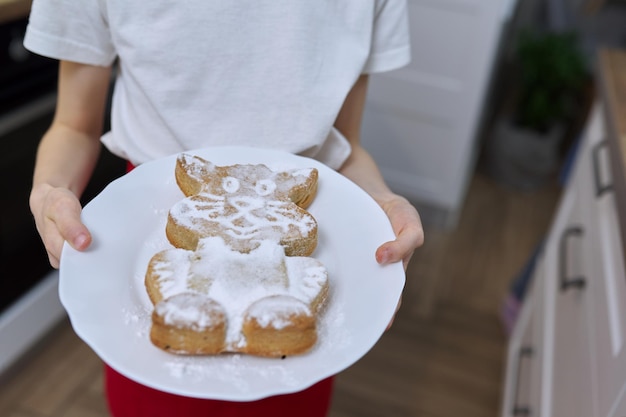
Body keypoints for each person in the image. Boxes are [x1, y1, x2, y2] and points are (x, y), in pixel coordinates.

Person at [25, 1, 424, 416]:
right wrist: (49, 191)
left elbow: (347, 146)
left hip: (308, 219)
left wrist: (382, 202)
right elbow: (74, 126)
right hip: (151, 219)